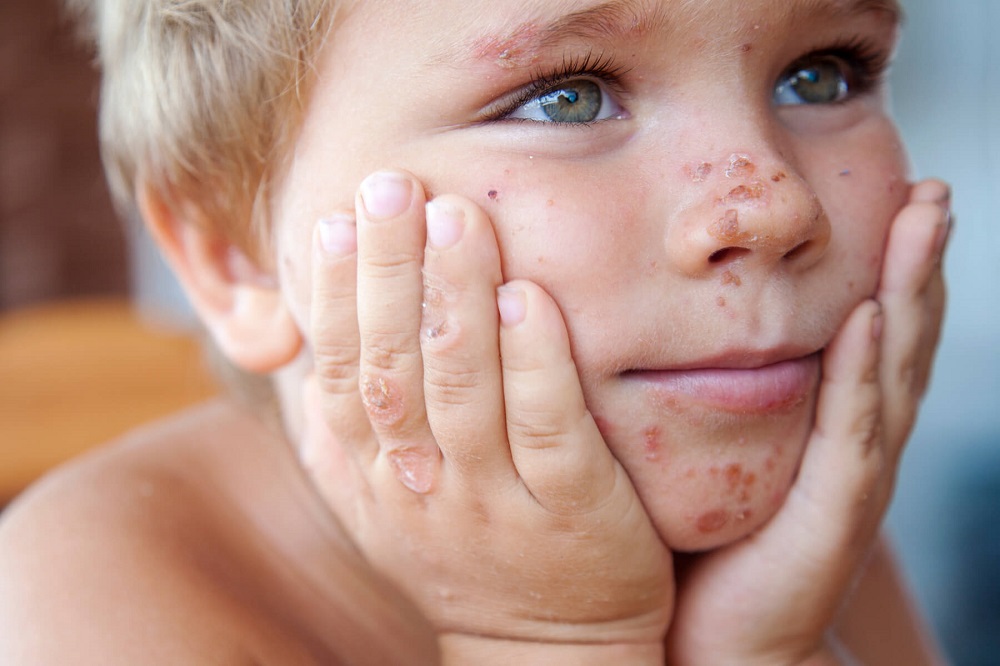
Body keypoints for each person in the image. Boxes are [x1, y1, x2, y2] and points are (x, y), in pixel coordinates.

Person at [0, 0, 951, 663]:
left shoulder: (802, 536)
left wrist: (765, 653)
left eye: (821, 76)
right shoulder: (81, 599)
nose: (774, 205)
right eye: (567, 95)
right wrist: (553, 643)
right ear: (233, 253)